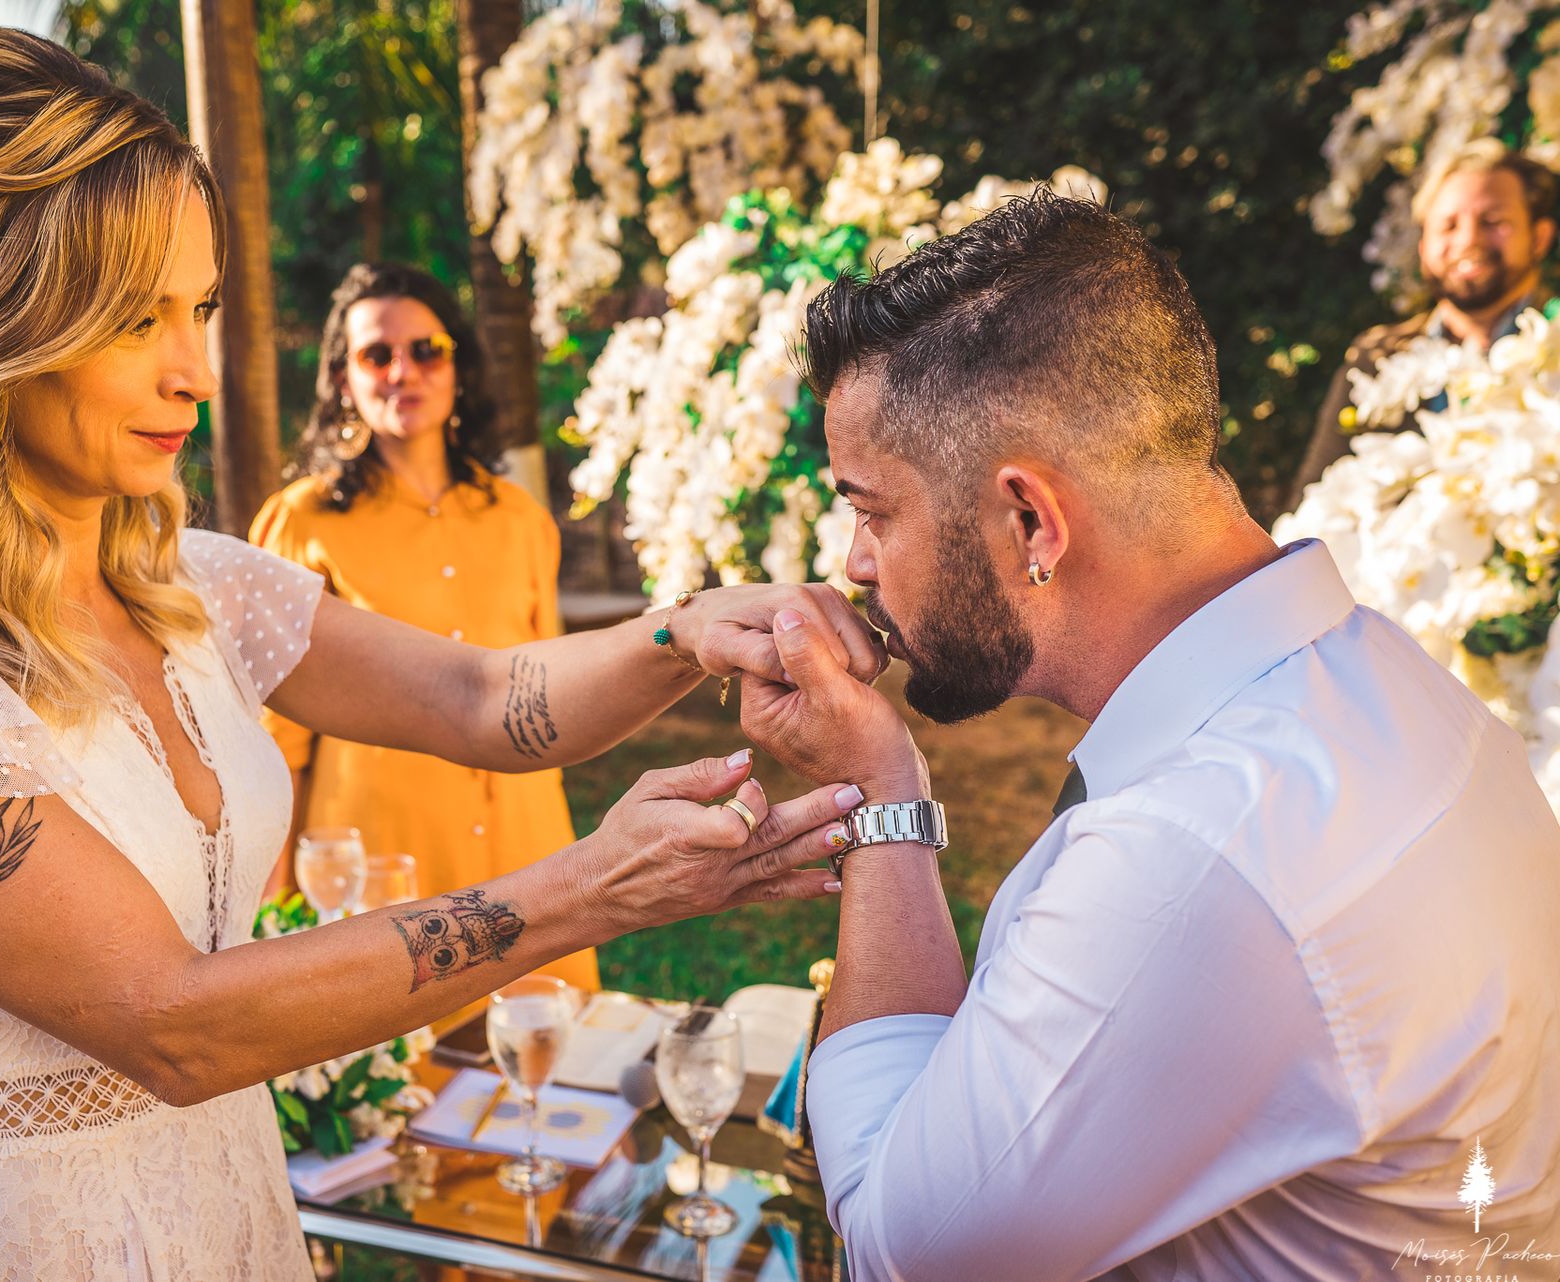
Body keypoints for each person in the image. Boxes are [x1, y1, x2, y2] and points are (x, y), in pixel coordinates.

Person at [0, 29, 883, 1281]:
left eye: (199, 308)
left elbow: (480, 694)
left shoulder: (192, 583)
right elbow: (171, 1023)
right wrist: (589, 889)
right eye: (134, 318)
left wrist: (687, 630)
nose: (194, 372)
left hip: (234, 1208)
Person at [738, 191, 1560, 1278]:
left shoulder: (1197, 850)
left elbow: (905, 1248)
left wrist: (879, 786)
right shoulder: (1393, 686)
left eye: (874, 509)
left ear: (1030, 520)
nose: (854, 563)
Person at [249, 262, 595, 994]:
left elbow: (551, 697)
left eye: (425, 350)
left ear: (457, 366)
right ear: (344, 378)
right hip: (382, 862)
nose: (401, 371)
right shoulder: (299, 524)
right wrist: (267, 923)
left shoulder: (521, 521)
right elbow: (274, 745)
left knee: (547, 1073)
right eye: (376, 354)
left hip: (524, 849)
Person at [1289, 139, 1556, 500]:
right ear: (1423, 245)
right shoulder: (1377, 357)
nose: (1468, 239)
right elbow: (1314, 505)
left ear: (1539, 238)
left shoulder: (1551, 341)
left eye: (1493, 221)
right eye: (1448, 225)